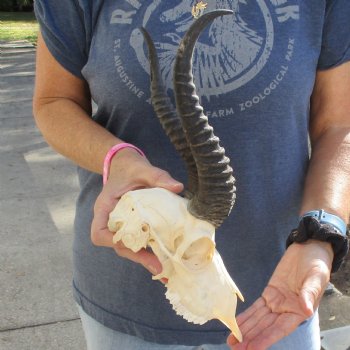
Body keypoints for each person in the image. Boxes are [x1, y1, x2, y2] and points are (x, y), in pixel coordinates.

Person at [32, 1, 350, 349]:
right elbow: (54, 100)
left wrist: (320, 231)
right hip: (127, 304)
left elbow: (338, 124)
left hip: (281, 298)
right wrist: (117, 158)